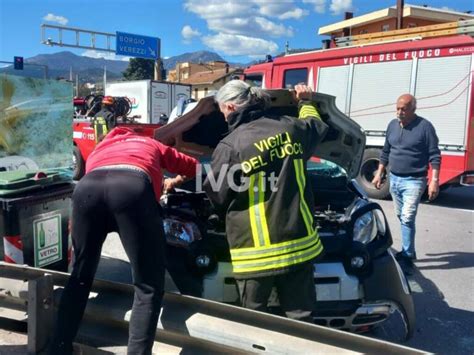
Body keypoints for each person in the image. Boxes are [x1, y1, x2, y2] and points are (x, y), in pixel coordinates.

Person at [50, 126, 198, 354]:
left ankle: (58, 348)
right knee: (148, 286)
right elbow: (192, 166)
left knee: (80, 276)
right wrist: (174, 180)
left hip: (86, 190)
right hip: (132, 190)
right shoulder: (150, 144)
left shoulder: (100, 148)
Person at [203, 81, 328, 322]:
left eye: (222, 111)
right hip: (298, 246)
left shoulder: (230, 146)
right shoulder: (292, 128)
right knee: (301, 319)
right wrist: (305, 102)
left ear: (230, 107)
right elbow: (316, 125)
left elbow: (217, 194)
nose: (223, 117)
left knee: (255, 323)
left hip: (255, 254)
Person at [372, 93, 440, 275]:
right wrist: (379, 173)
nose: (399, 112)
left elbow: (435, 155)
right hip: (394, 179)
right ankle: (408, 251)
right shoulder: (392, 125)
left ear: (413, 109)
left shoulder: (425, 127)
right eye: (398, 108)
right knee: (402, 217)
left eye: (404, 109)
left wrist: (434, 181)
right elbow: (386, 151)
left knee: (408, 217)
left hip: (414, 180)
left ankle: (408, 256)